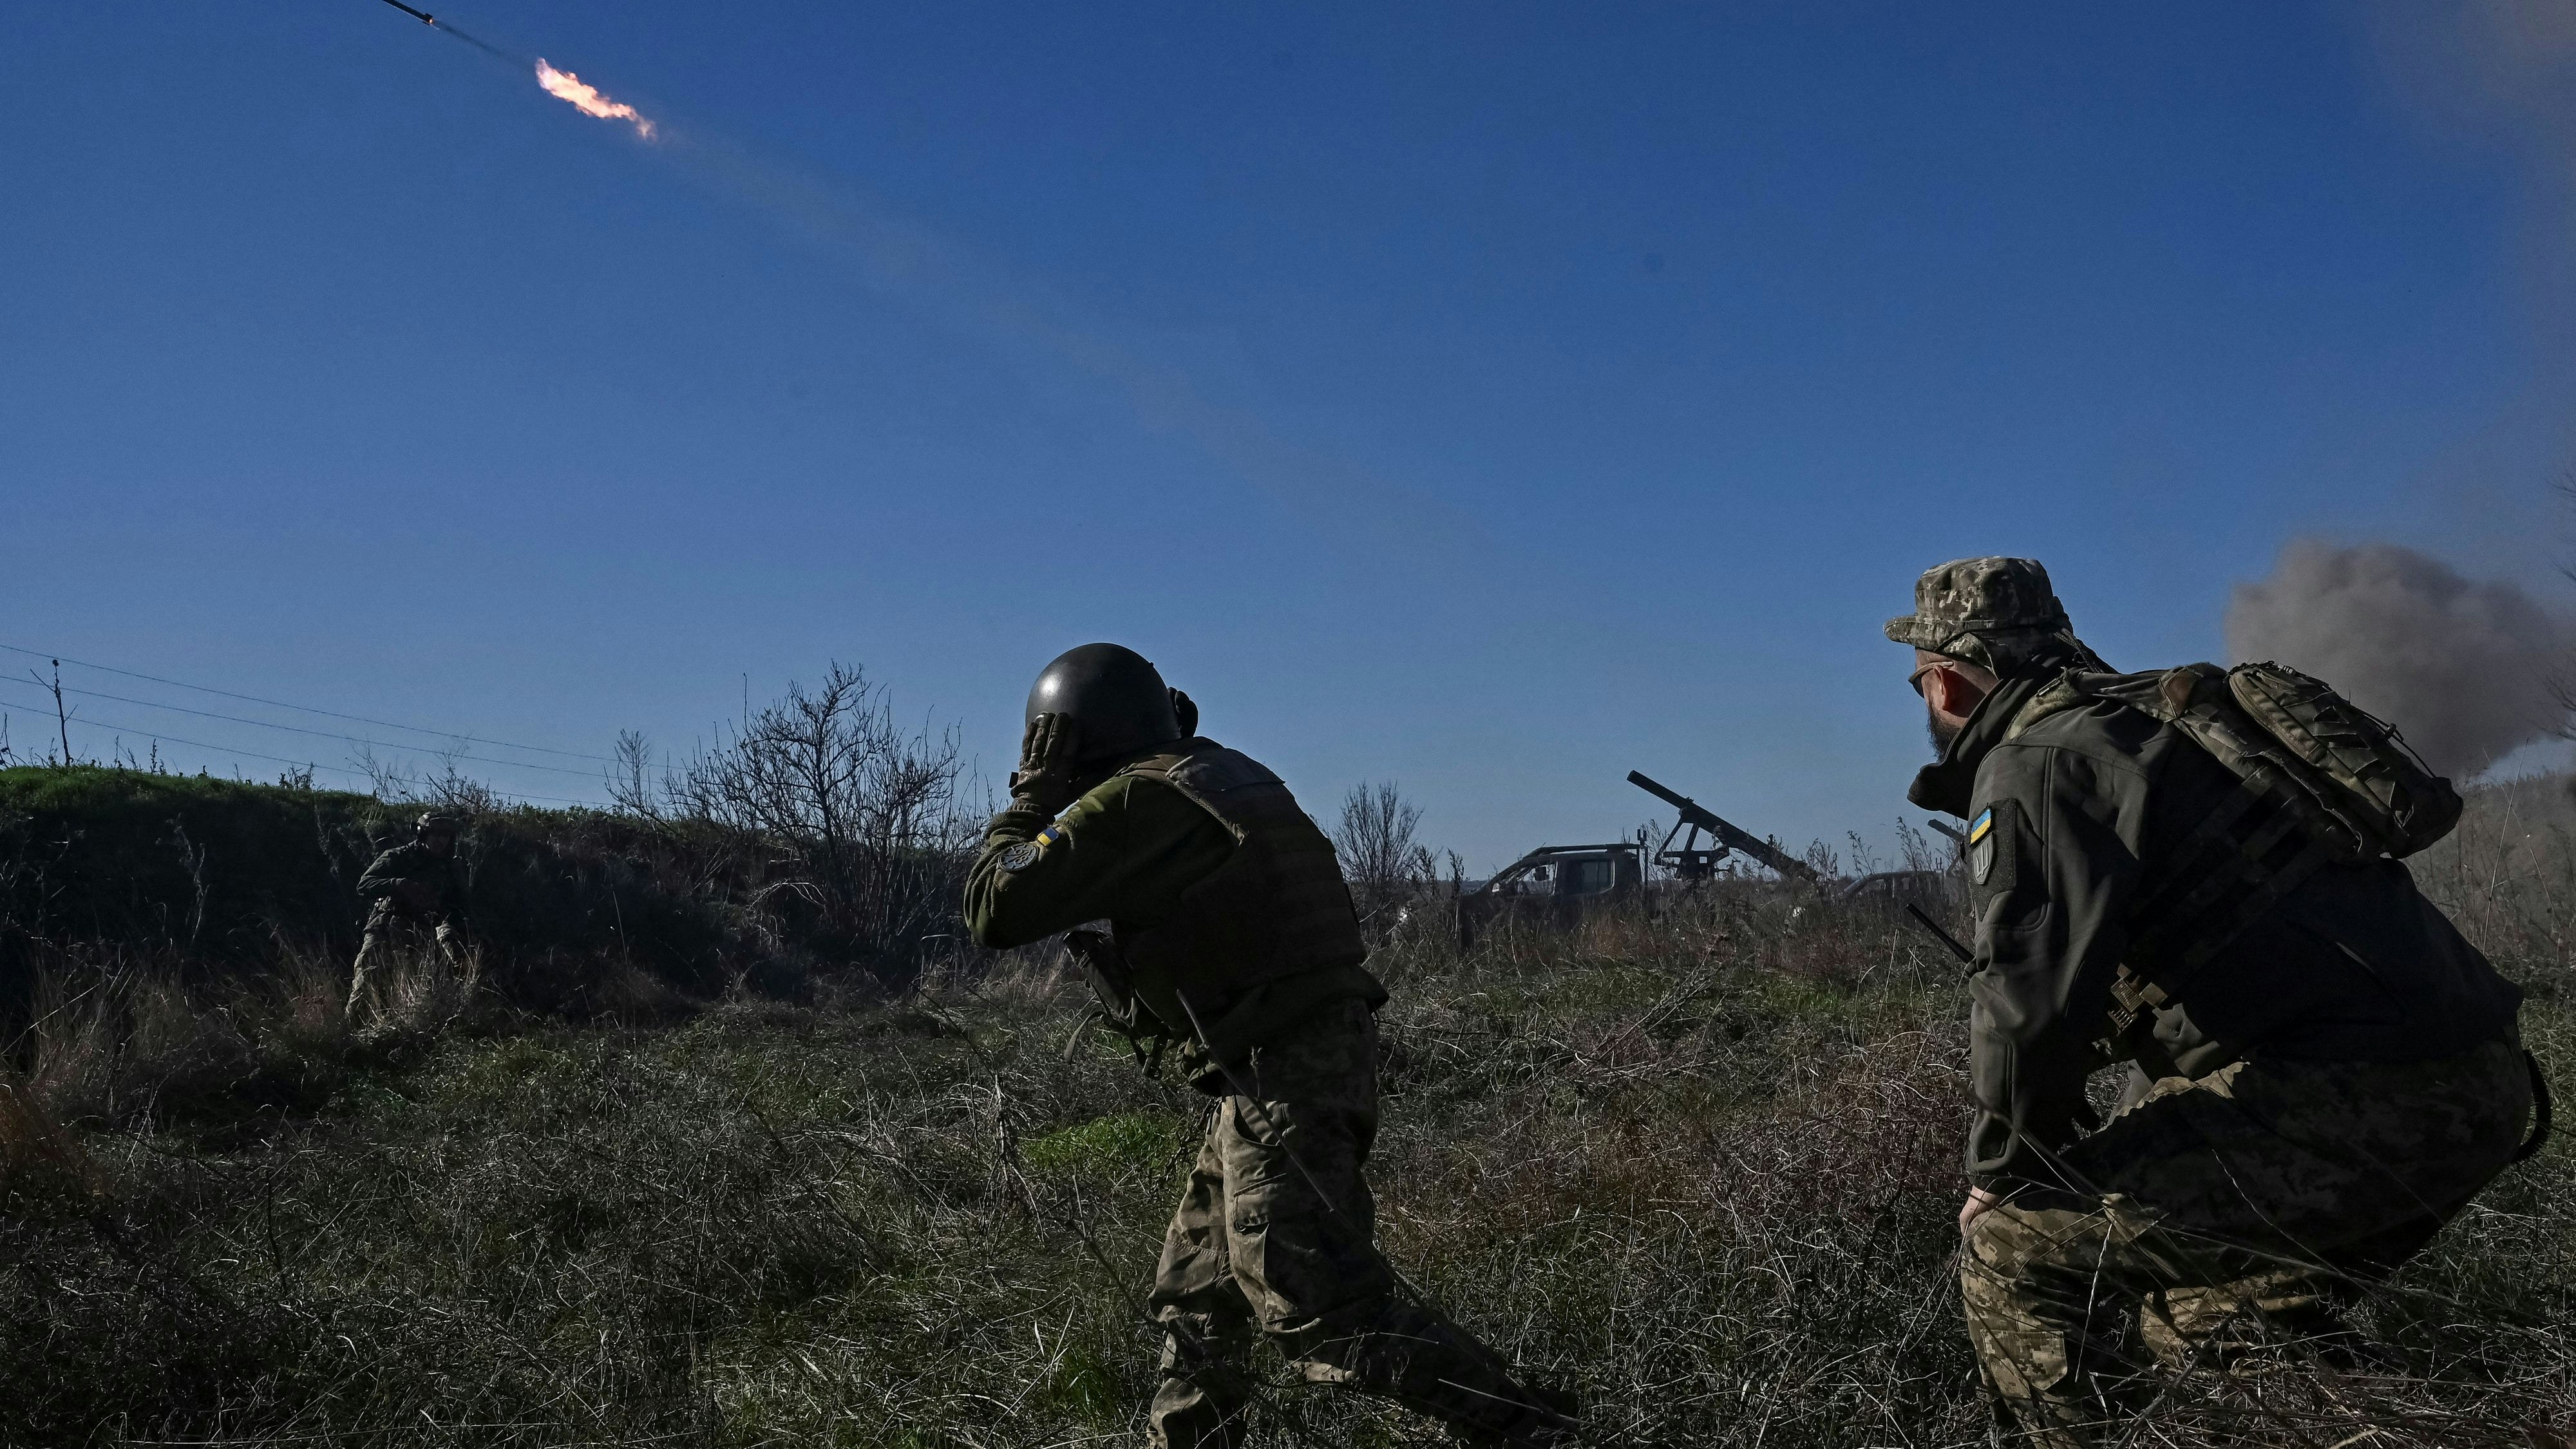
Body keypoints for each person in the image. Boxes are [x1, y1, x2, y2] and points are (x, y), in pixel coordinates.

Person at [1888, 556, 2535, 1446]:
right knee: (2204, 1320)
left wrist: (1998, 1173)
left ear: (1946, 682)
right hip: (2482, 1078)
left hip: (2364, 1096)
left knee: (2008, 1254)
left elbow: (2027, 995)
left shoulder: (2036, 761)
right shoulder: (2170, 721)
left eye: (1919, 686)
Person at [964, 643, 1580, 1449]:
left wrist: (1031, 804)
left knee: (1319, 1309)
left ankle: (1536, 1430)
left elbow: (996, 908)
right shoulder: (1220, 775)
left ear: (1069, 742)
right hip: (1276, 1067)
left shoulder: (1137, 801)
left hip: (1284, 1073)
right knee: (1201, 1299)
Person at [348, 811, 466, 1011]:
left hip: (422, 932)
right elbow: (364, 885)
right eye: (436, 835)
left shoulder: (450, 867)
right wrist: (398, 884)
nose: (441, 841)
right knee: (366, 980)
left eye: (446, 836)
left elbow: (460, 904)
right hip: (385, 926)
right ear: (423, 834)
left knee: (427, 987)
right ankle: (350, 1027)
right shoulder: (398, 857)